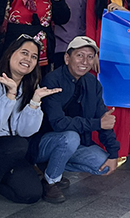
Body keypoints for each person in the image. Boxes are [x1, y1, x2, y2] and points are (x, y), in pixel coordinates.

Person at [0, 35, 61, 212]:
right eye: (24, 53)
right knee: (18, 144)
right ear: (11, 54)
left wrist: (34, 102)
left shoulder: (25, 86)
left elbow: (25, 131)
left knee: (31, 194)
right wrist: (9, 96)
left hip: (9, 152)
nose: (28, 59)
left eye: (34, 56)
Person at [33, 37, 119, 203]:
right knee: (71, 137)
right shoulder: (52, 80)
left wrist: (113, 153)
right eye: (79, 55)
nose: (85, 61)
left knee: (103, 163)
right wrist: (96, 124)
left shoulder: (92, 82)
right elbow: (59, 123)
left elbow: (104, 119)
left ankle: (50, 167)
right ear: (67, 58)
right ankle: (51, 181)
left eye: (90, 56)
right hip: (43, 142)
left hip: (71, 143)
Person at [86, 0, 130, 162]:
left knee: (122, 102)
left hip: (125, 54)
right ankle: (97, 146)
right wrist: (92, 54)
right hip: (101, 52)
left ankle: (121, 149)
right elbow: (90, 23)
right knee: (100, 100)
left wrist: (123, 11)